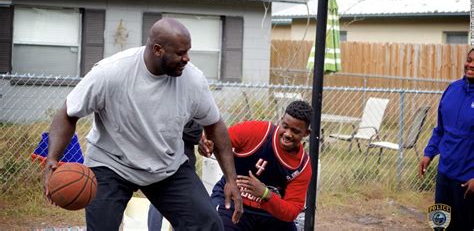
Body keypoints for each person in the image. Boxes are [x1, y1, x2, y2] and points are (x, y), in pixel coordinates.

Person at [42, 18, 242, 230]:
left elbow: (215, 125)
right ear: (158, 49)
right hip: (112, 163)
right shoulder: (111, 73)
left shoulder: (192, 79)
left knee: (208, 225)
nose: (187, 58)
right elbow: (67, 113)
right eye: (180, 53)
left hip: (165, 165)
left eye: (188, 51)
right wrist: (52, 159)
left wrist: (231, 179)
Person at [200, 100, 313, 231]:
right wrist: (208, 145)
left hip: (269, 212)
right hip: (233, 199)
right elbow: (220, 140)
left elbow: (292, 211)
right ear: (281, 120)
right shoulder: (259, 131)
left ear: (306, 133)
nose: (288, 134)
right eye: (285, 126)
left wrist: (265, 194)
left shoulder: (302, 166)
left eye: (295, 131)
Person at [419, 48, 474, 230]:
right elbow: (441, 129)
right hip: (444, 173)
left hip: (468, 180)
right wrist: (429, 153)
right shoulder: (452, 89)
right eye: (469, 60)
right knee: (439, 223)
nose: (470, 65)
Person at [148, 120, 203, 229]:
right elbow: (156, 130)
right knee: (157, 205)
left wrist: (173, 131)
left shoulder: (189, 112)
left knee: (182, 207)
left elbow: (196, 134)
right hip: (162, 164)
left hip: (184, 166)